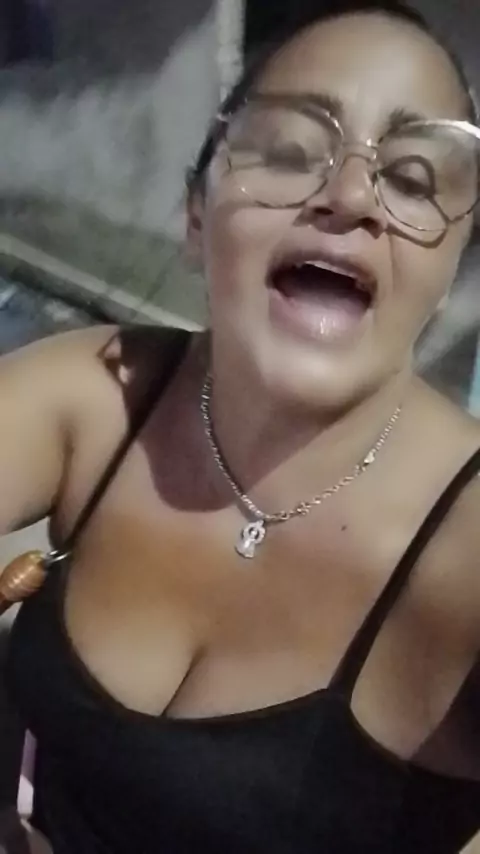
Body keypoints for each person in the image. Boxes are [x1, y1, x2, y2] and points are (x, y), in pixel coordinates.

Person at [2, 0, 480, 851]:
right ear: (196, 216)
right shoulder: (96, 397)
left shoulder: (466, 547)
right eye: (291, 152)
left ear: (448, 272)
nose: (350, 197)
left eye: (411, 180)